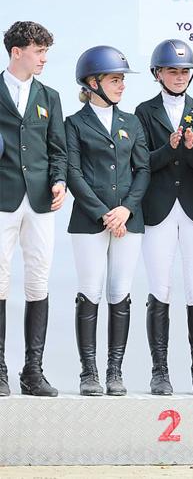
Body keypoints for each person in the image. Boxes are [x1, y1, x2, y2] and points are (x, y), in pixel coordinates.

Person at [135, 39, 193, 395]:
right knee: (160, 288)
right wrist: (168, 149)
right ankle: (160, 371)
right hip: (159, 206)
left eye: (185, 71)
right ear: (158, 73)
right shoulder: (143, 110)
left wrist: (192, 148)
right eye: (173, 70)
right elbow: (143, 163)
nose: (180, 76)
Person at [67, 46, 149, 396]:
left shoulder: (132, 122)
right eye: (115, 80)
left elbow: (142, 169)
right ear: (93, 81)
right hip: (90, 220)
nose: (121, 86)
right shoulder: (74, 123)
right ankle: (89, 372)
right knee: (90, 292)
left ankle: (114, 371)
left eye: (121, 80)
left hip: (128, 220)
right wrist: (103, 212)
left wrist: (126, 209)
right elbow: (73, 173)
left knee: (121, 292)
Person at [0, 21, 64, 397]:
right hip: (2, 198)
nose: (43, 59)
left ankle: (33, 371)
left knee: (38, 281)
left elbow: (58, 148)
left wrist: (59, 180)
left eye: (45, 52)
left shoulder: (50, 96)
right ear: (17, 52)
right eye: (38, 52)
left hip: (40, 201)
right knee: (0, 281)